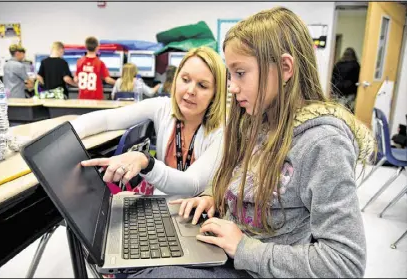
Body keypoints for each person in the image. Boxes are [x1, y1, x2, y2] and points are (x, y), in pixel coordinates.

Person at [121, 7, 375, 278]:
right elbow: (242, 180)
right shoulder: (256, 121)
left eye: (240, 73)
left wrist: (244, 248)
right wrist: (213, 197)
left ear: (285, 68)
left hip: (256, 266)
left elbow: (345, 264)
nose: (231, 86)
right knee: (136, 256)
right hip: (229, 251)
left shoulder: (323, 144)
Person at [72, 46, 227, 196]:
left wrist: (146, 162)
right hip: (161, 202)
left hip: (194, 213)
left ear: (215, 93)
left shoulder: (221, 131)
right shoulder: (163, 107)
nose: (190, 90)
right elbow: (107, 119)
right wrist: (68, 134)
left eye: (202, 85)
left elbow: (193, 184)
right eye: (185, 79)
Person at [331, 47, 361, 112]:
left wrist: (334, 87)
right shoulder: (356, 65)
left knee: (337, 109)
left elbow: (333, 77)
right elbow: (357, 79)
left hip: (338, 89)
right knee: (347, 110)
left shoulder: (338, 64)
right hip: (350, 91)